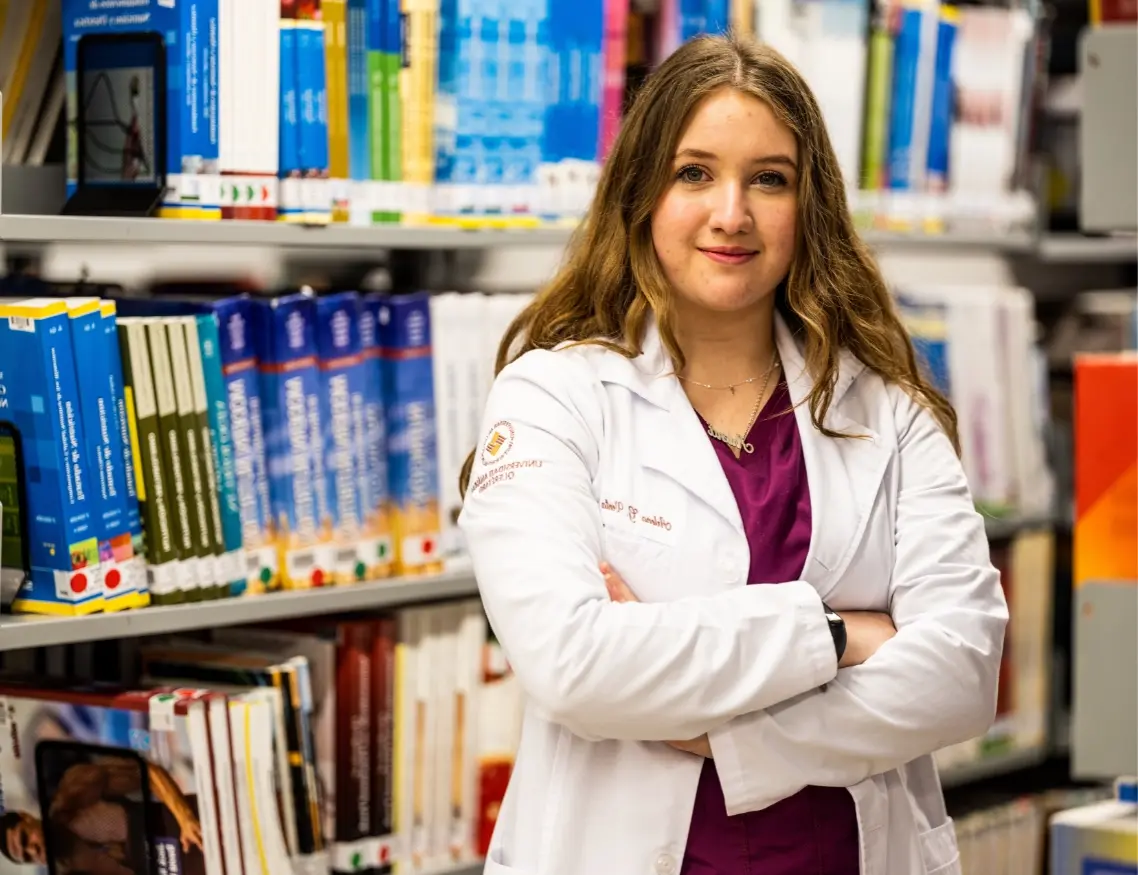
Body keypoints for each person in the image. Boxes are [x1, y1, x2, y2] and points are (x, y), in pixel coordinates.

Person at [457, 33, 1008, 875]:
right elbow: (572, 664)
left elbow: (962, 669)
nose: (732, 213)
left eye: (770, 179)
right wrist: (834, 634)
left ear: (807, 204)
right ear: (643, 191)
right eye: (695, 173)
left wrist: (732, 737)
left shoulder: (885, 406)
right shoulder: (553, 397)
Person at [0, 755, 203, 874]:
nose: (33, 850)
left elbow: (148, 773)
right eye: (27, 856)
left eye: (25, 838)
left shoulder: (74, 793)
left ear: (26, 817)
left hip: (199, 825)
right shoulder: (73, 871)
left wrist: (185, 818)